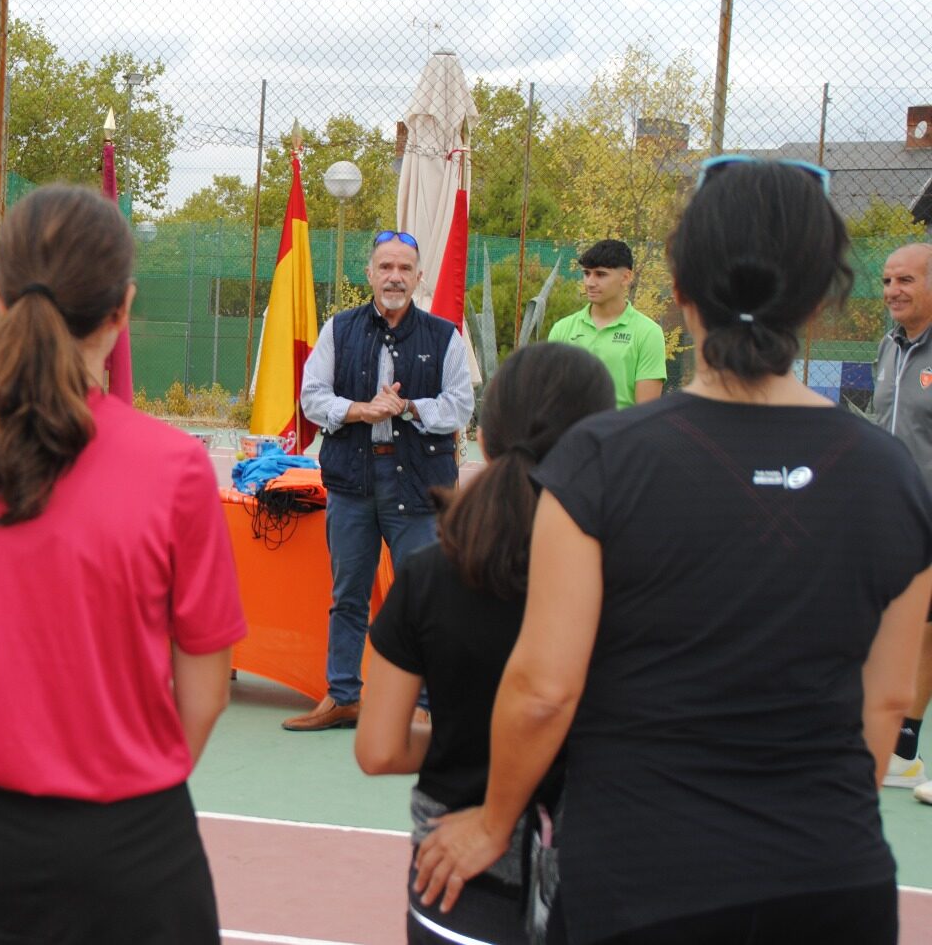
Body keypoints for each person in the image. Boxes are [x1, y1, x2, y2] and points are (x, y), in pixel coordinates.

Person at [413, 159, 932, 945]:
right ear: (826, 300)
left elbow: (545, 686)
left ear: (681, 292)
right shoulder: (891, 472)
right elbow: (886, 700)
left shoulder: (598, 459)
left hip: (643, 868)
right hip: (834, 871)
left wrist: (493, 820)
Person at [0, 185, 246, 944]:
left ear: (0, 298)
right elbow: (203, 692)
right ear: (122, 308)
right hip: (134, 859)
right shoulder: (176, 467)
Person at [355, 342, 614, 945]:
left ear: (486, 437)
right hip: (595, 872)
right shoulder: (627, 576)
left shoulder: (426, 575)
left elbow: (379, 749)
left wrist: (457, 740)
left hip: (457, 879)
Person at [285, 230, 474, 732]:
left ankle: (427, 704)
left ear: (418, 278)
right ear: (368, 274)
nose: (394, 277)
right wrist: (361, 410)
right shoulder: (339, 329)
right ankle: (343, 695)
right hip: (353, 484)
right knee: (348, 594)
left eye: (404, 269)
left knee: (423, 597)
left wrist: (408, 406)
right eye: (385, 267)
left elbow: (460, 405)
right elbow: (312, 397)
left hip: (419, 486)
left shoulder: (444, 337)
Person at [873, 242, 932, 801]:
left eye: (906, 280)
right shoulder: (889, 348)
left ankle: (905, 750)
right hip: (892, 516)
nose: (893, 290)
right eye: (889, 280)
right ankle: (896, 746)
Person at [547, 239, 666, 408]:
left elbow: (645, 415)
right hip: (573, 433)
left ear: (626, 277)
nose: (590, 283)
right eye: (586, 273)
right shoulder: (562, 329)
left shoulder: (648, 333)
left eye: (600, 274)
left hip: (622, 434)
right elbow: (551, 400)